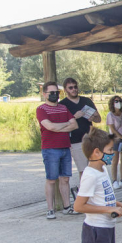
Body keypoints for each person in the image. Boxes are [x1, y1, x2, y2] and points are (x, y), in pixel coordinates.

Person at [37, 81, 78, 219]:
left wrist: (60, 126)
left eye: (57, 92)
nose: (55, 95)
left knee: (65, 179)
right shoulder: (41, 109)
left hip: (65, 147)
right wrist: (66, 124)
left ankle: (67, 207)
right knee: (51, 179)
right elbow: (50, 127)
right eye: (52, 93)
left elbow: (75, 125)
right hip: (50, 149)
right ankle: (50, 209)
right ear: (45, 94)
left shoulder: (63, 108)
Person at [60, 78, 101, 197]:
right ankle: (85, 195)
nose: (74, 89)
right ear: (65, 90)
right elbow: (62, 124)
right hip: (76, 141)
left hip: (91, 139)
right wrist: (74, 116)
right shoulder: (63, 104)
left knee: (95, 168)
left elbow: (99, 119)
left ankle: (95, 193)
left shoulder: (86, 101)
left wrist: (94, 117)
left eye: (75, 86)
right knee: (84, 169)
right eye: (70, 88)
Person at [106, 96, 122, 189]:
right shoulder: (110, 115)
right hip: (115, 139)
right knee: (115, 160)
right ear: (112, 103)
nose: (118, 102)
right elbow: (113, 129)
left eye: (120, 101)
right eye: (116, 101)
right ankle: (114, 180)